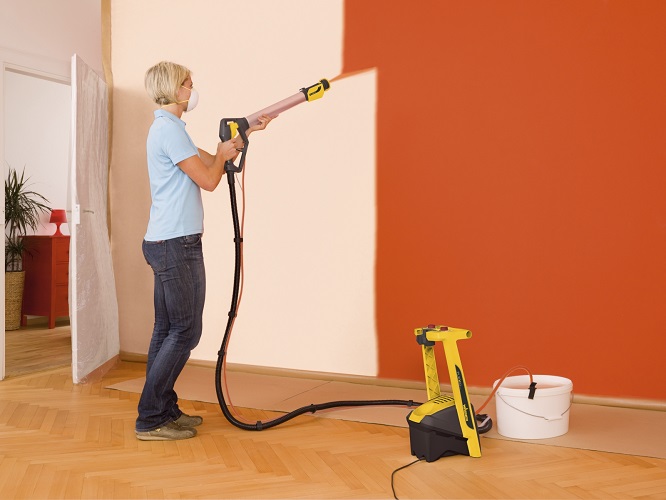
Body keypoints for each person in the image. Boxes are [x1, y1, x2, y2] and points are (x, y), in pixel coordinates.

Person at [136, 61, 273, 441]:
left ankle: (162, 408)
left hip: (166, 241)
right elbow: (211, 180)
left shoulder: (169, 129)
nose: (192, 89)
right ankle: (151, 417)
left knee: (167, 329)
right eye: (187, 83)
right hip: (175, 244)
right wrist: (222, 156)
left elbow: (211, 162)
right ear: (173, 88)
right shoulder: (169, 131)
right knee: (185, 331)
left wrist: (244, 135)